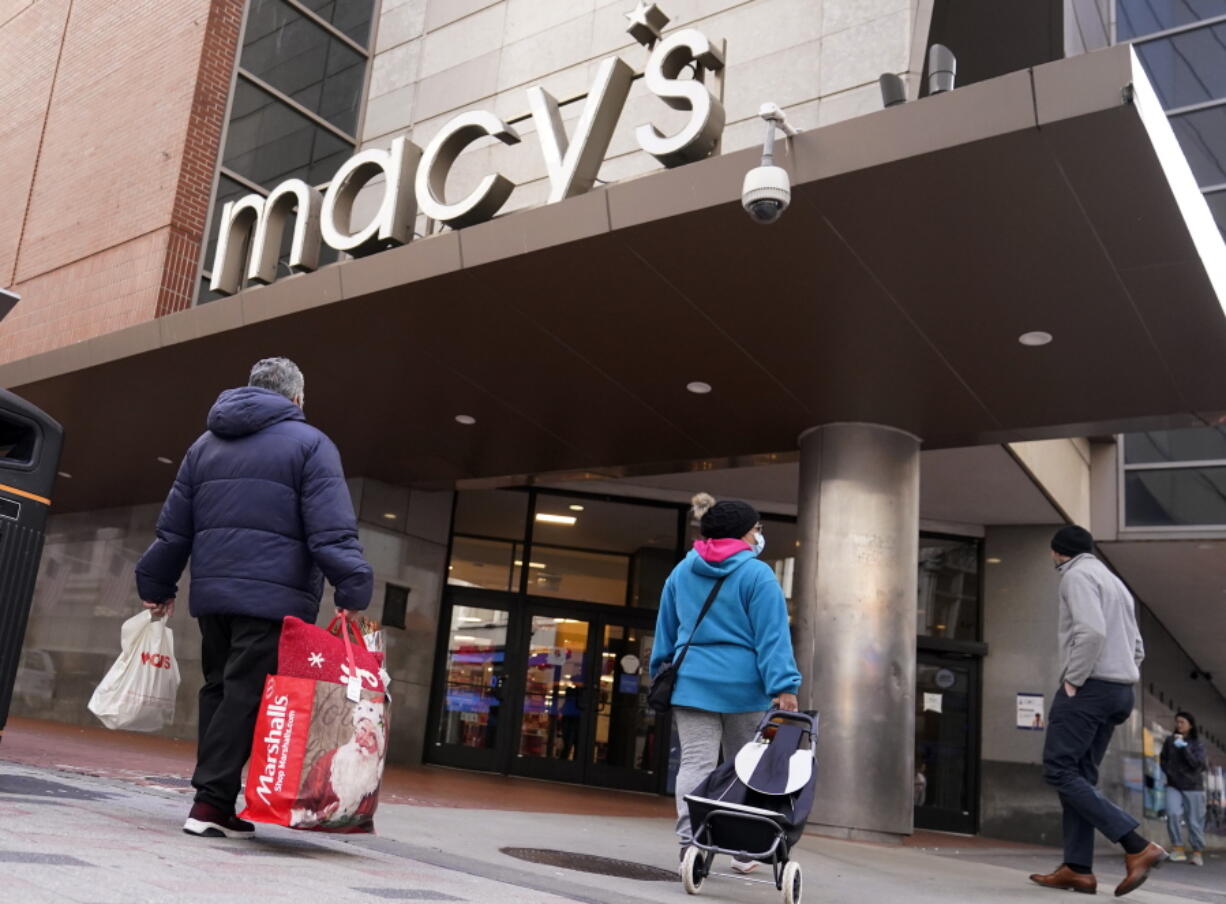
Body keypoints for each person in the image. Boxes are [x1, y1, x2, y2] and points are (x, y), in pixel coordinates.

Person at [136, 357, 373, 838]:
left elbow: (174, 529)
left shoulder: (204, 446)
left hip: (215, 596)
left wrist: (156, 585)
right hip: (272, 597)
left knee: (222, 690)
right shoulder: (312, 445)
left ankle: (215, 801)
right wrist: (352, 586)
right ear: (297, 398)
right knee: (246, 695)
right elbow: (330, 530)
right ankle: (210, 803)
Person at [650, 493, 802, 874]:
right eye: (756, 529)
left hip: (691, 682)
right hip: (744, 687)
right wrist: (785, 686)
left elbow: (665, 627)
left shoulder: (682, 571)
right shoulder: (757, 575)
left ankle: (691, 842)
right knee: (746, 767)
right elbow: (772, 636)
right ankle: (744, 847)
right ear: (742, 532)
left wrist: (660, 670)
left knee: (695, 763)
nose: (759, 536)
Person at [1029, 526, 1166, 897]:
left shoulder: (1076, 575)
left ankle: (1136, 845)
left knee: (1059, 770)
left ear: (1058, 553)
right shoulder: (1114, 581)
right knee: (1079, 779)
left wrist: (1074, 680)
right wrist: (1123, 675)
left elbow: (1090, 631)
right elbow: (1137, 646)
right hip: (1120, 691)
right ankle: (1077, 869)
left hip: (1090, 688)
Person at [1160, 712, 1208, 866]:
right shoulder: (1169, 741)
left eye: (1182, 722)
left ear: (1190, 725)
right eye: (1177, 722)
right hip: (1174, 785)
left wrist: (1184, 748)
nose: (1178, 725)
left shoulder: (1197, 744)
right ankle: (1178, 848)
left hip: (1193, 786)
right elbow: (1163, 759)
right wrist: (1168, 772)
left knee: (1194, 821)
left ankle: (1197, 852)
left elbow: (1197, 765)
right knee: (1172, 813)